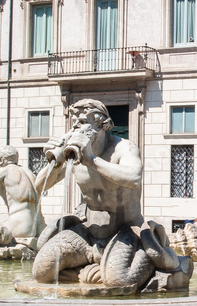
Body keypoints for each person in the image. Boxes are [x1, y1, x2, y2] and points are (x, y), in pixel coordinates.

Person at [32, 99, 184, 287]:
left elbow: (134, 177)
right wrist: (55, 162)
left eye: (83, 122)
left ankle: (121, 265)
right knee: (41, 272)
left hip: (126, 232)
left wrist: (91, 160)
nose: (76, 128)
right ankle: (92, 263)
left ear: (102, 125)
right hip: (89, 234)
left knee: (119, 281)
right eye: (75, 123)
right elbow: (40, 186)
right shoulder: (75, 154)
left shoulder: (123, 148)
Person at [0, 146, 46, 257]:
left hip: (21, 226)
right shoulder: (28, 172)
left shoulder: (4, 171)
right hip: (40, 228)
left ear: (0, 159)